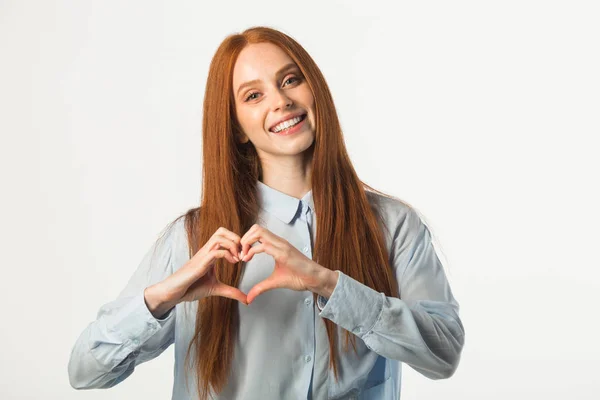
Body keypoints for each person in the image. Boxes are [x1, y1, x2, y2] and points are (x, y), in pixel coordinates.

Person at [68, 26, 465, 400]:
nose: (280, 101)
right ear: (237, 126)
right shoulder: (193, 238)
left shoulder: (393, 226)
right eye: (253, 95)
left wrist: (329, 285)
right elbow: (86, 371)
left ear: (316, 91)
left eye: (290, 80)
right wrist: (160, 299)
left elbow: (443, 355)